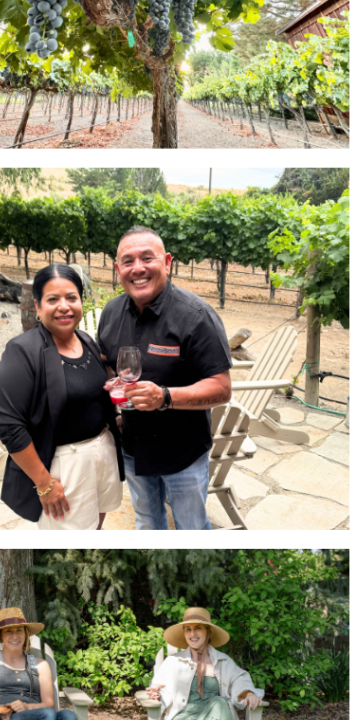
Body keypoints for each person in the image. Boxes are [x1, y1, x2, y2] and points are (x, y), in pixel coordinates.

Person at [97, 227, 232, 530]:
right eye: (128, 261)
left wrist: (165, 397)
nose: (138, 268)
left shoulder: (196, 316)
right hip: (133, 448)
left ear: (167, 262)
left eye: (148, 258)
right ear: (118, 269)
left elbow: (222, 388)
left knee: (191, 529)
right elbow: (106, 364)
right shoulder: (111, 312)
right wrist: (112, 393)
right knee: (147, 522)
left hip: (182, 453)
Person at [0, 265, 124, 530]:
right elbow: (10, 428)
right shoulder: (22, 352)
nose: (64, 306)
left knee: (95, 531)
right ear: (38, 306)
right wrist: (44, 484)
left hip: (102, 453)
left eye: (71, 297)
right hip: (63, 466)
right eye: (53, 299)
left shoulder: (85, 341)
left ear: (81, 302)